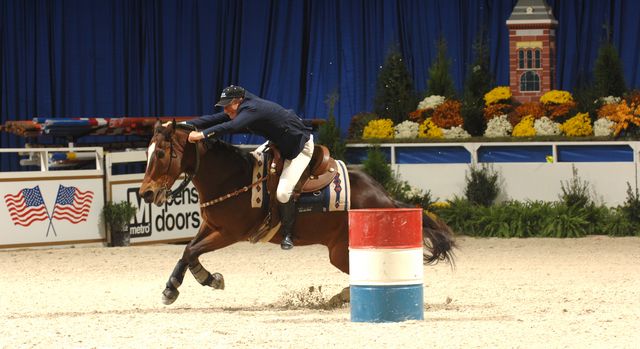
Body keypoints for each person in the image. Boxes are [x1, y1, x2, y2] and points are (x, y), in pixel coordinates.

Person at [182, 85, 313, 250]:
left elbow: (231, 127)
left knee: (283, 193)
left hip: (299, 150)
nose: (226, 110)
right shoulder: (243, 108)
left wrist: (202, 135)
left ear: (238, 100)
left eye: (227, 106)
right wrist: (182, 125)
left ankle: (288, 233)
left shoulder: (252, 109)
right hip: (279, 144)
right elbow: (214, 119)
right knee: (252, 164)